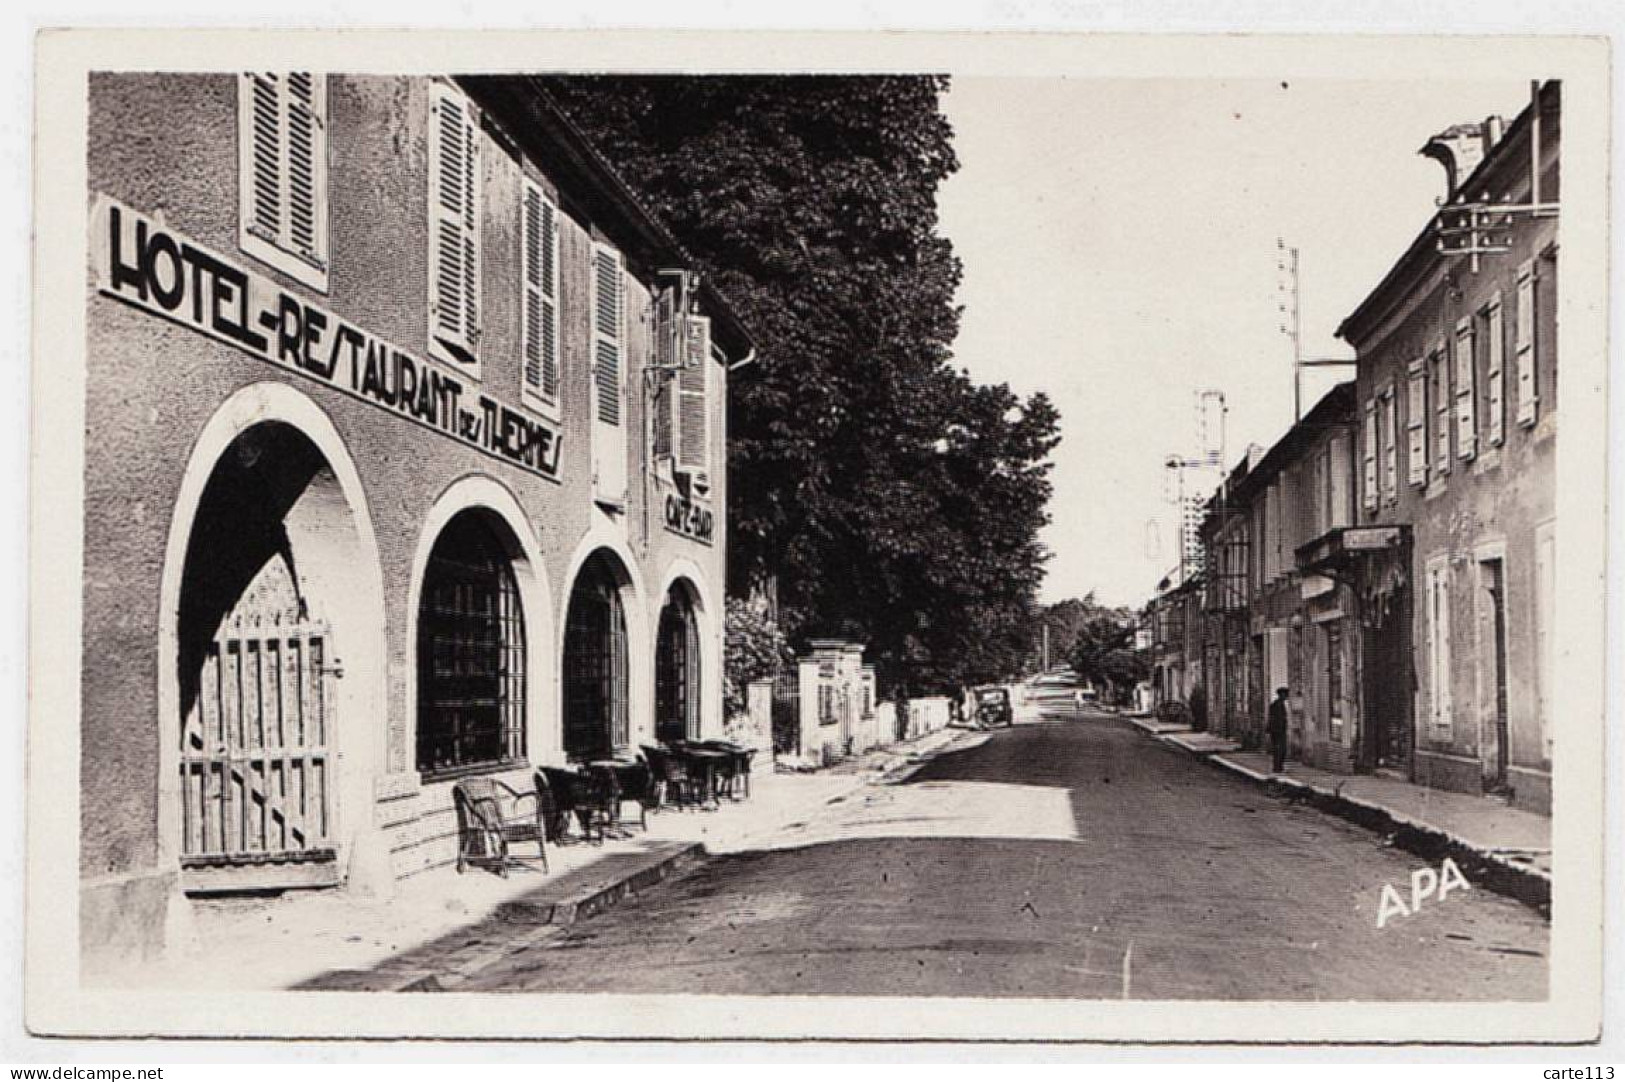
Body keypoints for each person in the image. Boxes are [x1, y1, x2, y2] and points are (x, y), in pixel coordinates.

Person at [1267, 686, 1290, 773]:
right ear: (1281, 695)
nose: (1287, 696)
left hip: (1280, 730)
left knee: (1281, 749)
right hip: (1277, 730)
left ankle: (1278, 766)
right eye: (1285, 694)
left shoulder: (1281, 704)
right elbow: (1272, 718)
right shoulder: (1275, 705)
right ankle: (1277, 767)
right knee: (1279, 749)